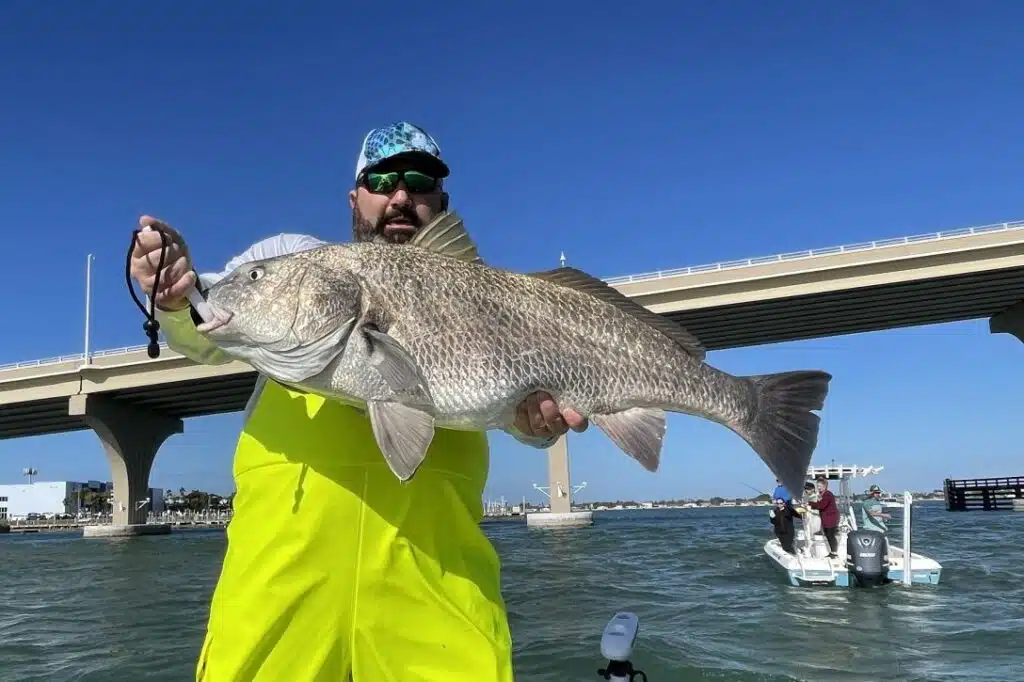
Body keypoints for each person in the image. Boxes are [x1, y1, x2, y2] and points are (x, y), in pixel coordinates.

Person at [129, 121, 589, 682]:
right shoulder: (294, 260)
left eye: (419, 184)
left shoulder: (489, 296)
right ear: (355, 198)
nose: (401, 196)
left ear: (441, 204)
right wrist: (176, 297)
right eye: (382, 181)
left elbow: (519, 418)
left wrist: (535, 427)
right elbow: (206, 326)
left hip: (439, 595)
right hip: (278, 600)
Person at [807, 476, 840, 558]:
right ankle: (833, 552)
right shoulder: (822, 494)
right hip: (826, 518)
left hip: (831, 518)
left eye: (819, 486)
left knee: (830, 535)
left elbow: (821, 505)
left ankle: (834, 553)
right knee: (828, 534)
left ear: (825, 486)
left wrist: (809, 504)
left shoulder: (827, 494)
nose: (818, 488)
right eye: (817, 486)